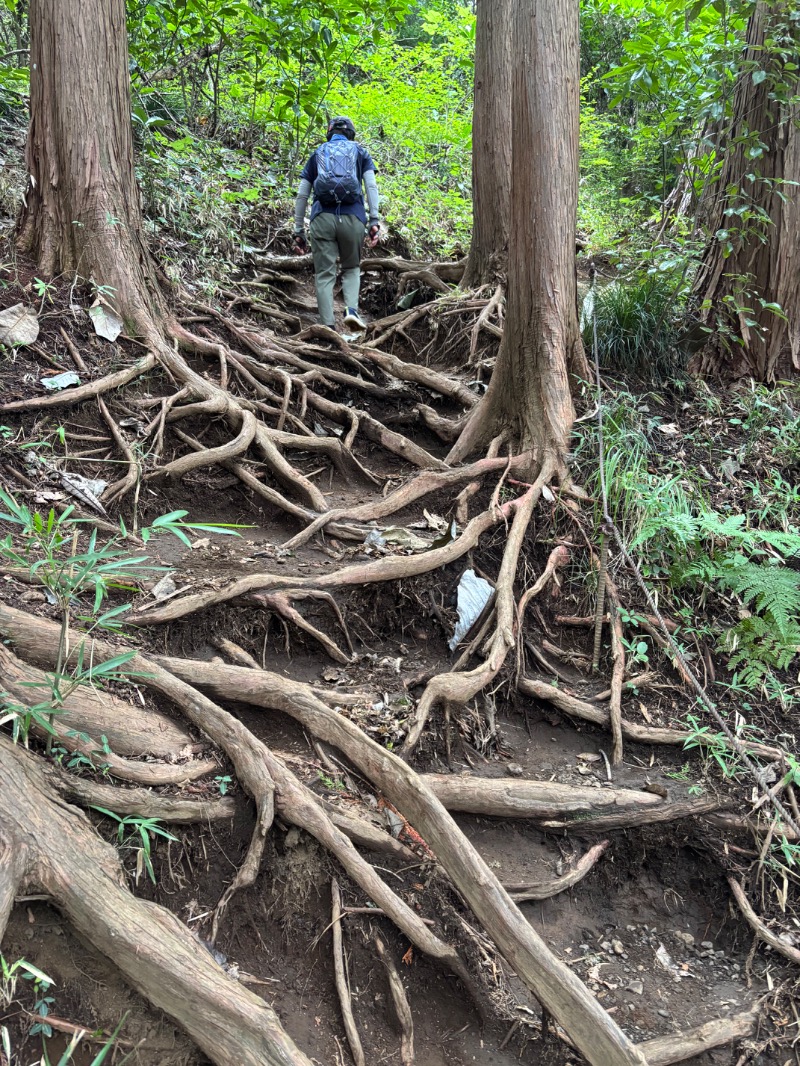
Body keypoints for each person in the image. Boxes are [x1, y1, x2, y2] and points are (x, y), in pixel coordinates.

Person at [292, 116, 380, 332]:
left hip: (322, 218)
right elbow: (371, 187)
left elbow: (302, 195)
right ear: (351, 133)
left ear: (329, 133)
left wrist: (298, 230)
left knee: (324, 273)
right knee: (351, 268)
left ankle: (328, 327)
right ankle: (351, 310)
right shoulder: (360, 152)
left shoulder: (318, 153)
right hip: (353, 218)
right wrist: (374, 220)